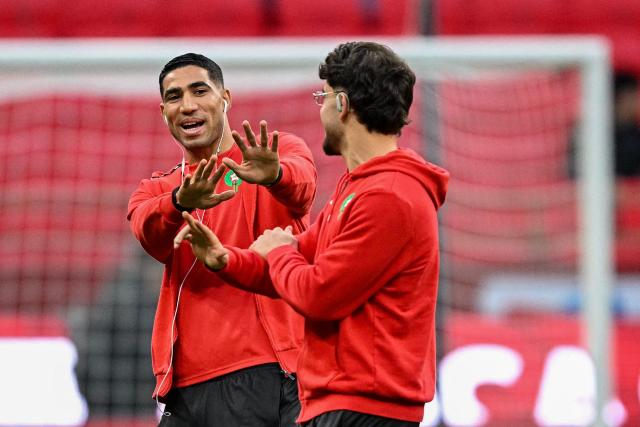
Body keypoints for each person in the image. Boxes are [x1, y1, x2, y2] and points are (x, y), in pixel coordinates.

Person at [174, 42, 449, 426]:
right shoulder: (357, 188)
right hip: (339, 402)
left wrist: (278, 252)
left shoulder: (390, 196)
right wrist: (226, 260)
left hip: (366, 409)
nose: (319, 109)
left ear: (343, 105)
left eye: (324, 97)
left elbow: (319, 294)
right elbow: (299, 253)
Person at [127, 53, 317, 426]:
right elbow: (148, 233)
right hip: (186, 387)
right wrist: (179, 201)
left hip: (268, 370)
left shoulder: (273, 154)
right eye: (175, 96)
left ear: (225, 97)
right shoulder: (158, 189)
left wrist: (274, 174)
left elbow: (303, 187)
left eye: (200, 90)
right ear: (163, 110)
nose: (188, 105)